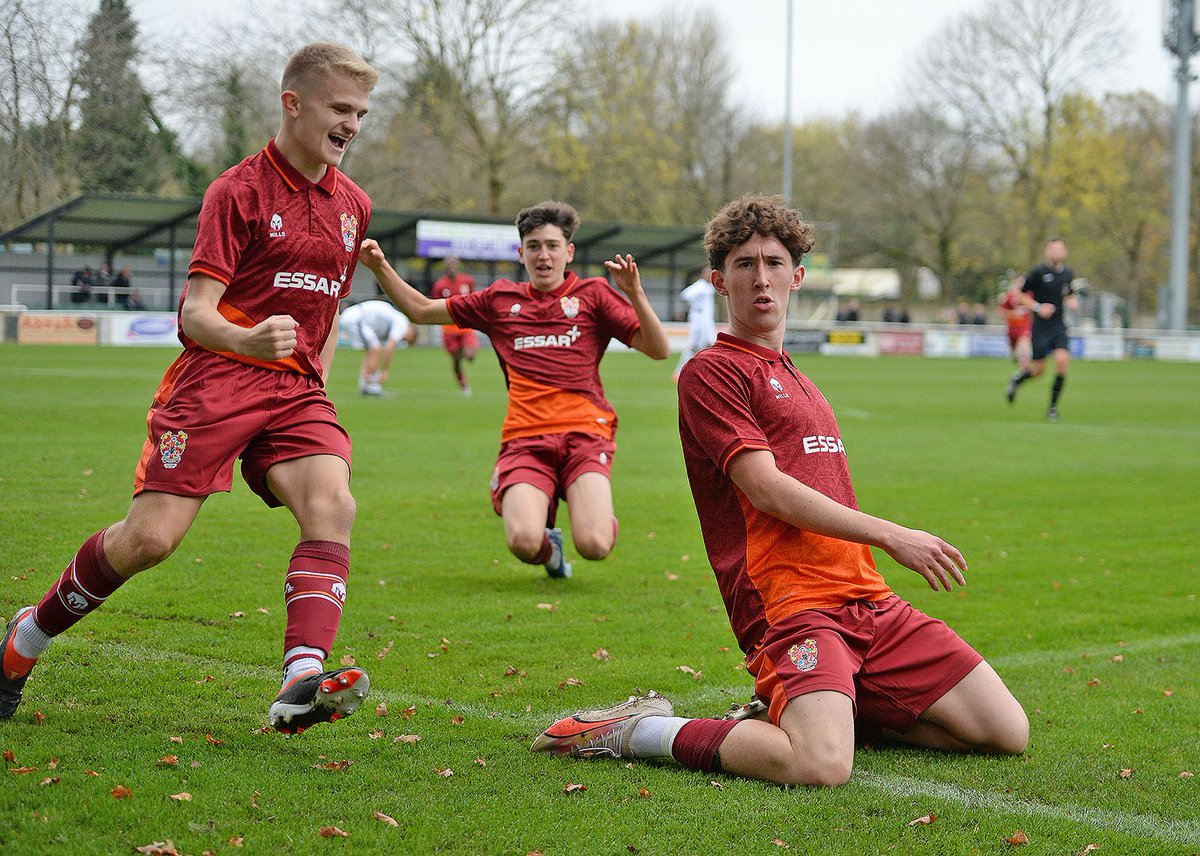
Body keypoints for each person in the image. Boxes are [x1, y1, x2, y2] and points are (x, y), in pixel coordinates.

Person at [529, 194, 1028, 786]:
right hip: (790, 604)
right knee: (820, 766)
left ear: (798, 277)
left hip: (868, 600)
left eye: (773, 263)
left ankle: (824, 710)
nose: (760, 278)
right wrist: (895, 535)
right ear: (720, 280)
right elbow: (764, 488)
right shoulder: (710, 372)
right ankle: (639, 730)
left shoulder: (803, 380)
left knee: (1005, 732)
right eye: (744, 265)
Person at [2, 43, 380, 734]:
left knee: (333, 504)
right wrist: (247, 339)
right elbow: (194, 313)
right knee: (148, 541)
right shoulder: (238, 190)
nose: (352, 123)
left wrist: (317, 373)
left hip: (296, 391)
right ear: (293, 104)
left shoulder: (354, 204)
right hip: (218, 377)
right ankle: (25, 638)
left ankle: (302, 674)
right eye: (339, 107)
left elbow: (330, 307)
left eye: (361, 111)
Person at [358, 200, 670, 579]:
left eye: (553, 246)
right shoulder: (499, 300)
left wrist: (635, 292)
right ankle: (550, 550)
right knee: (523, 541)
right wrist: (379, 265)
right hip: (526, 438)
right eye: (534, 246)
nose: (544, 255)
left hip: (585, 434)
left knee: (595, 545)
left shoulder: (593, 296)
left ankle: (594, 512)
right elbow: (421, 310)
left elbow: (658, 349)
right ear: (521, 253)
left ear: (568, 252)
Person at [1005, 238, 1079, 421]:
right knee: (1039, 370)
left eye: (1060, 249)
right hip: (1040, 326)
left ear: (1065, 252)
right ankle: (1017, 380)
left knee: (1062, 363)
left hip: (1059, 325)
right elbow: (1019, 294)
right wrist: (1038, 307)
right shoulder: (1038, 273)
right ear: (1048, 252)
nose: (1057, 253)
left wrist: (1071, 301)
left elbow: (1068, 294)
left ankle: (1052, 408)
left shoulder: (1068, 274)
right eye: (1054, 249)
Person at [340, 298, 416, 395]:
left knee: (371, 352)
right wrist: (385, 370)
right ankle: (372, 387)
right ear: (412, 333)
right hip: (357, 318)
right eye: (408, 339)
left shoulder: (397, 318)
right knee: (375, 350)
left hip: (355, 316)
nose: (404, 340)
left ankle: (366, 386)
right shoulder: (402, 323)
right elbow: (389, 347)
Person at [430, 256, 479, 396]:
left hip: (465, 325)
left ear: (458, 265)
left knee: (470, 355)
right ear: (445, 267)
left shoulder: (467, 281)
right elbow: (435, 304)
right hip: (449, 327)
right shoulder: (440, 285)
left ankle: (463, 350)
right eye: (448, 265)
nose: (451, 267)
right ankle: (463, 384)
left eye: (453, 264)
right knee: (456, 360)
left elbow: (473, 298)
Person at [673, 267, 717, 381]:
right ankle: (680, 371)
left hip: (707, 320)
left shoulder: (709, 287)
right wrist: (698, 306)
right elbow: (685, 295)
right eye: (707, 273)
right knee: (694, 346)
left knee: (709, 345)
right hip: (699, 320)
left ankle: (705, 370)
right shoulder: (700, 286)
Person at [997, 280, 1032, 370]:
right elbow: (1001, 311)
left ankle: (1024, 366)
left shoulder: (1029, 296)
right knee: (1013, 352)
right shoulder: (1009, 297)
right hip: (1012, 328)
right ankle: (1016, 358)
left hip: (1024, 327)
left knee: (1024, 345)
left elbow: (1035, 307)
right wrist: (1013, 314)